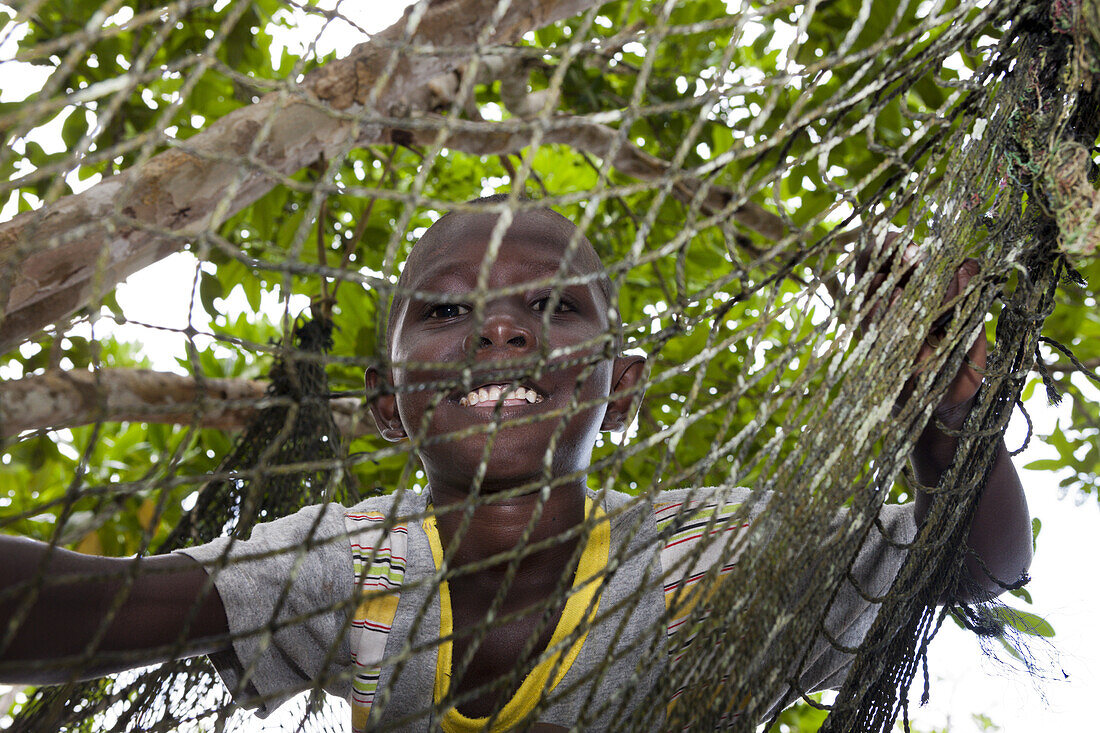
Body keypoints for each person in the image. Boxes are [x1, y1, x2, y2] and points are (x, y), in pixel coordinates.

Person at [0, 199, 1032, 731]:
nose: (499, 330)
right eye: (446, 312)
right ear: (385, 404)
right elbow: (83, 608)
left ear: (619, 389)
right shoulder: (344, 563)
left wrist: (942, 411)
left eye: (550, 308)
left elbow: (974, 568)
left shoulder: (707, 552)